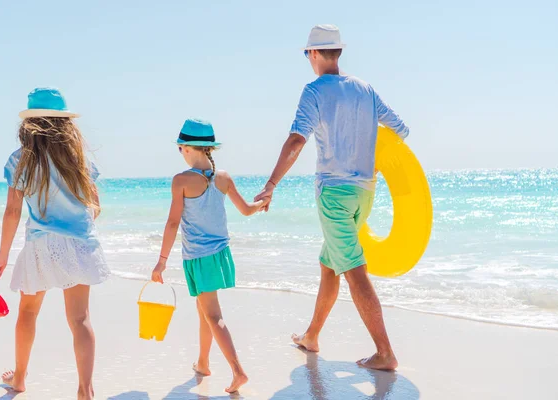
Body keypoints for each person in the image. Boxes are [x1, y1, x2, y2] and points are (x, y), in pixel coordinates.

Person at [255, 25, 409, 371]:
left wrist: (271, 183)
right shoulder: (365, 89)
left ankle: (385, 352)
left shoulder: (313, 92)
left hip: (334, 196)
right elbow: (400, 128)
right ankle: (311, 336)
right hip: (365, 193)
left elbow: (296, 141)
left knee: (354, 271)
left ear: (313, 54)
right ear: (337, 52)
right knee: (330, 264)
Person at [0, 88, 110, 399]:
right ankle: (85, 390)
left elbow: (13, 210)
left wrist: (2, 257)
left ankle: (19, 378)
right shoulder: (78, 155)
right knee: (80, 319)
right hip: (80, 242)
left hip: (41, 245)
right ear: (65, 123)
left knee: (28, 313)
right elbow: (95, 204)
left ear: (29, 124)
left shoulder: (21, 160)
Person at [151, 118, 269, 393]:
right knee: (204, 310)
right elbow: (247, 210)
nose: (180, 152)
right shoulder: (223, 177)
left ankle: (238, 371)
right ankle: (203, 362)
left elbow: (172, 223)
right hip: (220, 255)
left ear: (187, 148)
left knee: (213, 314)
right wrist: (263, 202)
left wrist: (161, 261)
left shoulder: (181, 180)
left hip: (200, 258)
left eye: (180, 148)